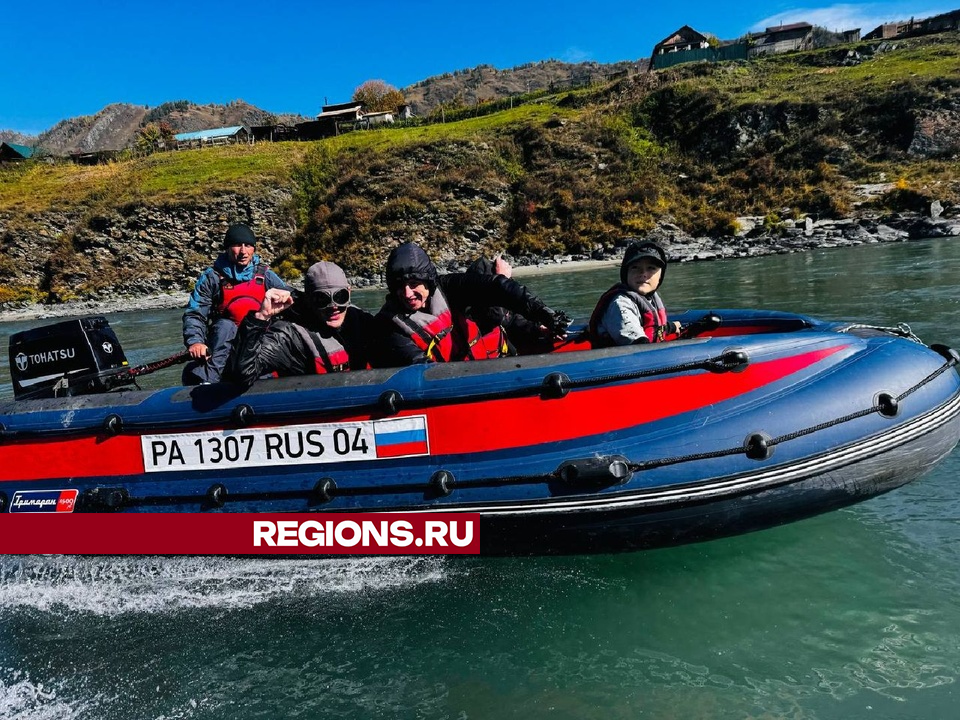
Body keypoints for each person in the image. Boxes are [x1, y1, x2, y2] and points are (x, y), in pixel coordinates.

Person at [375, 241, 570, 366]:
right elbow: (421, 370)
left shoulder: (449, 288)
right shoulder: (390, 326)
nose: (407, 293)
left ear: (428, 280)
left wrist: (544, 314)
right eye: (400, 287)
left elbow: (498, 287)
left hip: (488, 367)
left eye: (414, 283)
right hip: (452, 391)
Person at [227, 261, 380, 385]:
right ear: (308, 299)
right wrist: (261, 317)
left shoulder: (361, 320)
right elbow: (242, 374)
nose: (333, 306)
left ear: (349, 292)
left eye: (340, 297)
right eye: (322, 299)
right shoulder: (288, 336)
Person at [181, 223, 288, 384]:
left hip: (259, 342)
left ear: (254, 249)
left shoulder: (266, 276)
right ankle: (209, 382)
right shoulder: (213, 278)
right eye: (237, 245)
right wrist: (196, 342)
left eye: (248, 245)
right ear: (228, 248)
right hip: (224, 344)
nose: (243, 251)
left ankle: (268, 377)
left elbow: (291, 301)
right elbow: (195, 314)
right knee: (226, 326)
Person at [588, 240, 681, 346]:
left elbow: (651, 327)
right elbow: (637, 344)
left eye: (651, 268)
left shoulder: (649, 298)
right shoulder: (620, 304)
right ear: (625, 273)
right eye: (635, 268)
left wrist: (670, 327)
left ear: (660, 276)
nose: (643, 274)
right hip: (621, 360)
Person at [465, 254, 556, 355]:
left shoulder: (500, 305)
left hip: (501, 352)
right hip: (485, 363)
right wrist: (502, 280)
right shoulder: (475, 308)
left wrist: (537, 328)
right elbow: (496, 316)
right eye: (503, 283)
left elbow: (512, 319)